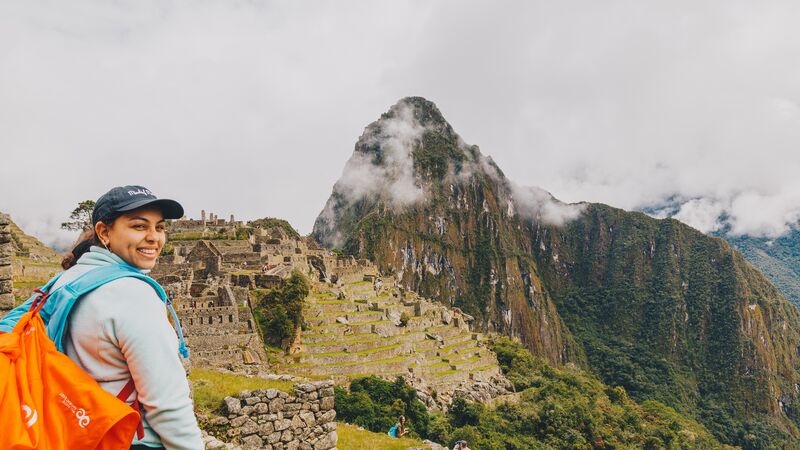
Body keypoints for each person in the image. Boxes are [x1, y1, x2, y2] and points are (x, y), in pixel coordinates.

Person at [4, 186, 203, 450]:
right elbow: (167, 404)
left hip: (73, 430)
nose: (154, 237)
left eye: (160, 227)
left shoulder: (67, 279)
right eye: (139, 226)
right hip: (124, 438)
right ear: (104, 232)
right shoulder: (132, 296)